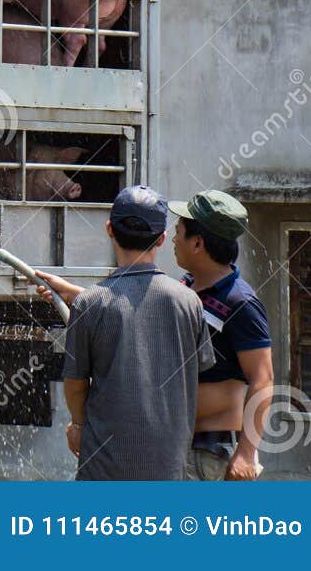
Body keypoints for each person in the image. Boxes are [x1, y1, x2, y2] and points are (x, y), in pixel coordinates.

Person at [41, 186, 213, 480]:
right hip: (169, 469)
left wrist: (79, 427)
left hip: (104, 471)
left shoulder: (90, 304)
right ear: (161, 238)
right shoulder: (188, 302)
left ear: (109, 230)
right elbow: (197, 372)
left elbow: (76, 384)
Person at [171, 190, 273, 481]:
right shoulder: (186, 287)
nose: (174, 240)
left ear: (198, 243)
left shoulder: (240, 303)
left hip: (210, 455)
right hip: (178, 447)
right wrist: (74, 295)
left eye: (178, 232)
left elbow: (263, 379)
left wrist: (247, 452)